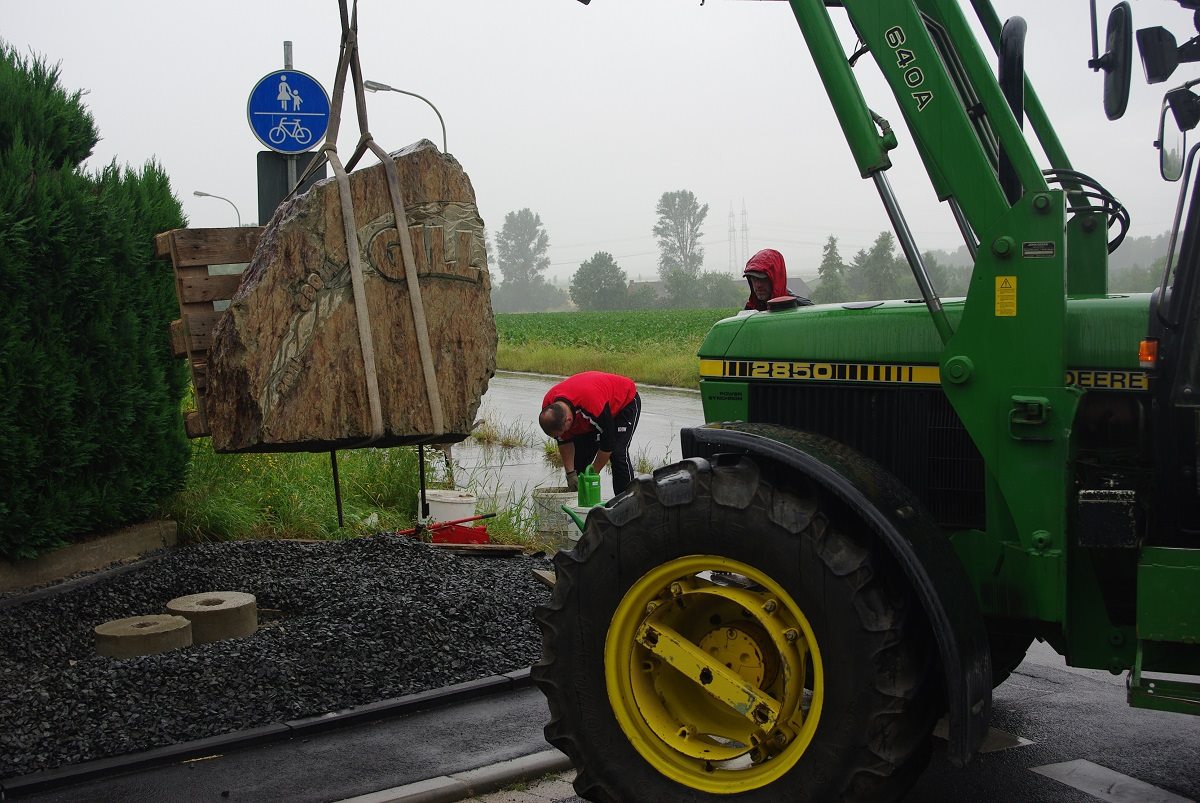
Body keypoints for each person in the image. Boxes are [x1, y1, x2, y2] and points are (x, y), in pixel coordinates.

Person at [539, 371, 641, 496]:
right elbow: (564, 441)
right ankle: (579, 503)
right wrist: (570, 474)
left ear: (569, 420)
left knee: (618, 453)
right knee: (579, 463)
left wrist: (592, 475)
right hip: (590, 412)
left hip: (623, 402)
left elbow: (608, 444)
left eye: (563, 431)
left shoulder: (592, 405)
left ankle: (626, 503)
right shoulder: (549, 408)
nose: (562, 435)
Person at [743, 248, 812, 311]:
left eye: (763, 279)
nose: (758, 285)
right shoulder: (749, 312)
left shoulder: (804, 309)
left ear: (776, 279)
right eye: (754, 279)